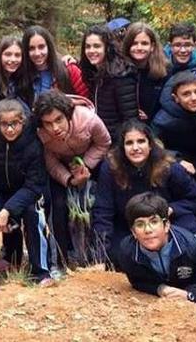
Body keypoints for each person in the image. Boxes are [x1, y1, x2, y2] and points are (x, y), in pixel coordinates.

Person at [92, 120, 196, 265]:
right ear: (122, 147)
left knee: (190, 245)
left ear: (150, 144)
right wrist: (101, 254)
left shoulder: (169, 166)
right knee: (120, 257)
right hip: (130, 227)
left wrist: (171, 209)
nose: (136, 148)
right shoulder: (110, 169)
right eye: (129, 143)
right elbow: (103, 211)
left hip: (168, 223)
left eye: (141, 141)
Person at [0, 100, 53, 285]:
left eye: (15, 124)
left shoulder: (33, 145)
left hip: (30, 193)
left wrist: (7, 211)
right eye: (5, 124)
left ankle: (41, 270)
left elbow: (34, 185)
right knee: (4, 215)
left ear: (23, 122)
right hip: (3, 193)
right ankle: (12, 257)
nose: (10, 129)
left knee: (31, 212)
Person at [34, 90, 111, 266]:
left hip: (93, 161)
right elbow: (50, 162)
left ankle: (99, 254)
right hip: (62, 169)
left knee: (100, 202)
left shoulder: (88, 119)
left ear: (67, 114)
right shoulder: (41, 134)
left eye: (58, 120)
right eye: (48, 123)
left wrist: (87, 165)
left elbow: (104, 142)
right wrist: (69, 179)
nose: (55, 128)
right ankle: (60, 260)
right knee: (58, 206)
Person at [151, 71, 196, 234]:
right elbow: (154, 145)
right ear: (175, 98)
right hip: (181, 169)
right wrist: (176, 160)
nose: (194, 98)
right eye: (186, 94)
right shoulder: (163, 120)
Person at [78, 24, 138, 138]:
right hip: (99, 137)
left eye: (97, 46)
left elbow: (130, 119)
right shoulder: (93, 73)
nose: (91, 51)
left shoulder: (121, 76)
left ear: (107, 47)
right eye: (88, 46)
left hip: (115, 141)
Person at [21, 25, 88, 105]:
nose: (37, 53)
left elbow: (87, 101)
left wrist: (67, 103)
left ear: (49, 46)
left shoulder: (69, 69)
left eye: (41, 47)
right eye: (31, 48)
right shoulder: (22, 75)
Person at [122, 23, 171, 121]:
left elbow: (168, 103)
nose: (139, 48)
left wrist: (150, 116)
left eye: (144, 43)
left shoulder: (165, 70)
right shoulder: (120, 71)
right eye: (134, 43)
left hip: (155, 125)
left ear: (152, 46)